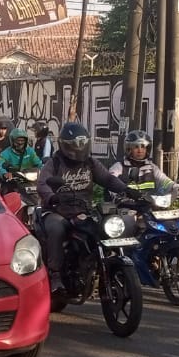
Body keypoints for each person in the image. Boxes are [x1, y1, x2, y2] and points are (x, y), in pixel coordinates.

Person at [37, 121, 129, 294]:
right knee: (57, 229)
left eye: (82, 143)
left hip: (83, 210)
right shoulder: (54, 163)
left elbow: (108, 179)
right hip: (57, 210)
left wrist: (127, 189)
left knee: (104, 228)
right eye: (75, 144)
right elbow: (43, 184)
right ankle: (55, 275)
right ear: (65, 145)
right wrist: (52, 197)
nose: (79, 147)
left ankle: (98, 265)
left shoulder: (90, 163)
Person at [108, 130, 179, 197]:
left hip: (149, 204)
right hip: (125, 205)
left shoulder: (152, 168)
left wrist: (177, 188)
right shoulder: (119, 167)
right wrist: (120, 194)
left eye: (143, 147)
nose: (140, 150)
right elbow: (111, 182)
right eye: (136, 147)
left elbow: (164, 181)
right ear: (129, 149)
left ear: (147, 149)